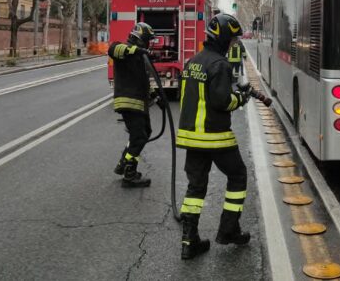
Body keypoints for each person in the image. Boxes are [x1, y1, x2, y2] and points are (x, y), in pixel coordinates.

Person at [176, 13, 252, 260]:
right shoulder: (220, 64)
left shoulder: (193, 61)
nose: (232, 44)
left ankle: (189, 241)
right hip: (215, 137)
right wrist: (241, 98)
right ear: (222, 37)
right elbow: (222, 101)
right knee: (238, 176)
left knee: (195, 187)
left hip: (191, 138)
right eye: (231, 40)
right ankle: (229, 229)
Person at [108, 22, 163, 188]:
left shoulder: (139, 58)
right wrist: (138, 51)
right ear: (141, 38)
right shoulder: (124, 49)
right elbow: (112, 50)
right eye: (148, 40)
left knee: (144, 133)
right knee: (139, 137)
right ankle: (129, 175)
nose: (149, 44)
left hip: (139, 103)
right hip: (129, 102)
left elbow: (144, 82)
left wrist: (157, 97)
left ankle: (123, 164)